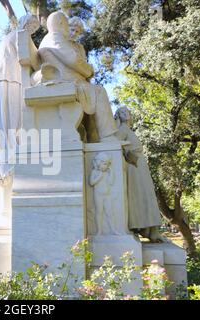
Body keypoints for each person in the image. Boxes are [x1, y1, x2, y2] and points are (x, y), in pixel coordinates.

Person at [32, 11, 118, 142]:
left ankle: (96, 140)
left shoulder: (54, 38)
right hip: (65, 81)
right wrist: (89, 71)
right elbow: (73, 60)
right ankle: (108, 137)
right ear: (61, 23)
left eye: (77, 32)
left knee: (94, 92)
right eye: (68, 26)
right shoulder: (55, 37)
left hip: (68, 80)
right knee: (99, 91)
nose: (70, 31)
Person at [0, 14, 40, 184]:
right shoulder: (21, 36)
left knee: (0, 117)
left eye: (34, 29)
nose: (31, 31)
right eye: (31, 27)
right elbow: (31, 58)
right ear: (25, 24)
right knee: (12, 119)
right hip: (11, 79)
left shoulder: (8, 36)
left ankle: (3, 146)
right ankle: (10, 149)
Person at [114, 107, 166, 242]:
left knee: (147, 195)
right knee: (142, 196)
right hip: (134, 165)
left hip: (139, 164)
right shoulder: (123, 130)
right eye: (123, 112)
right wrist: (127, 153)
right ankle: (147, 229)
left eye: (128, 112)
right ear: (119, 116)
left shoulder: (129, 130)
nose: (127, 114)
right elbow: (114, 144)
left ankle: (150, 230)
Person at [89, 153, 119, 235]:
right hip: (98, 195)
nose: (106, 166)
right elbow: (91, 182)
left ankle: (113, 229)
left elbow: (111, 182)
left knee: (110, 212)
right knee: (99, 212)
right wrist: (99, 177)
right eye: (104, 164)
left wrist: (111, 171)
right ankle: (99, 231)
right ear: (99, 163)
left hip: (107, 195)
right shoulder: (95, 172)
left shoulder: (106, 173)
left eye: (107, 164)